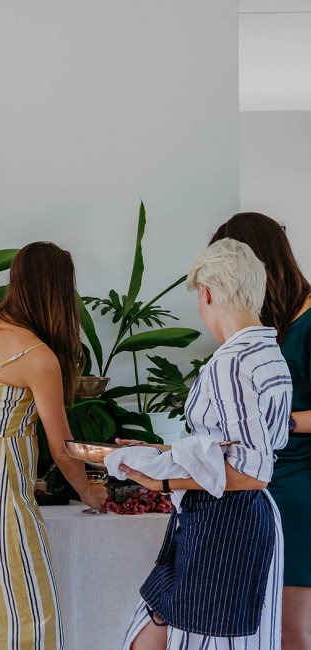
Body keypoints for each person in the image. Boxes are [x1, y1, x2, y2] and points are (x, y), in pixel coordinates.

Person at [119, 238, 290, 649]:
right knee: (150, 633)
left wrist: (160, 483)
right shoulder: (269, 353)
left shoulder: (229, 363)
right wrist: (161, 453)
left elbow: (252, 473)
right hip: (245, 521)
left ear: (208, 293)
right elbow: (236, 450)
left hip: (224, 527)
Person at [0, 241, 108, 649]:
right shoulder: (38, 357)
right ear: (58, 291)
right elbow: (62, 447)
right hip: (1, 502)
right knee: (29, 617)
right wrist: (90, 490)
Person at [210, 212, 311, 649]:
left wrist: (279, 421)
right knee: (266, 626)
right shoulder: (268, 321)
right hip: (264, 484)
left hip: (298, 488)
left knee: (291, 629)